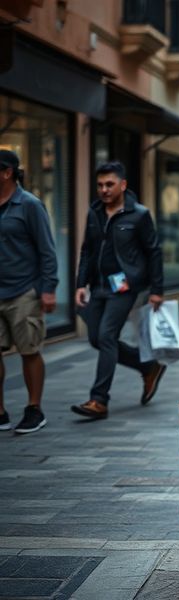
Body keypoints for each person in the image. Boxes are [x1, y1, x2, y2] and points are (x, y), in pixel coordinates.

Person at [71, 161, 166, 420]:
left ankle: (99, 400)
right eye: (100, 185)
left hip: (125, 287)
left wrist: (157, 289)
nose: (104, 189)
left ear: (123, 185)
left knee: (107, 335)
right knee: (97, 339)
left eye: (109, 184)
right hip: (99, 286)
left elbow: (154, 252)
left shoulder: (139, 215)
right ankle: (148, 366)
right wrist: (80, 284)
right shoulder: (94, 213)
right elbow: (87, 250)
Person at [0, 150, 58, 434]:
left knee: (29, 351)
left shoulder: (30, 205)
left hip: (24, 291)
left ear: (7, 172)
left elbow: (47, 249)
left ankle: (34, 409)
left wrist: (48, 289)